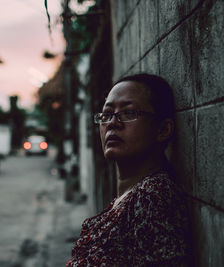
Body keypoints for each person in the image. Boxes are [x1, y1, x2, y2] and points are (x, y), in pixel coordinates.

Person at [66, 73, 192, 266]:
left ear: (163, 130)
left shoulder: (152, 197)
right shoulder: (129, 196)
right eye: (106, 115)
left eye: (129, 113)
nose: (112, 123)